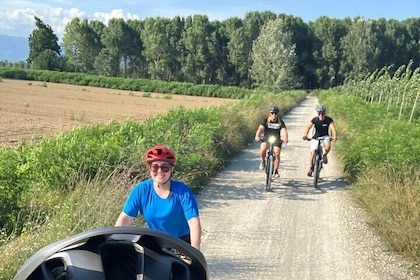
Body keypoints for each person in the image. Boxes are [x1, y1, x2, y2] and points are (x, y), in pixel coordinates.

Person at [115, 145, 202, 250]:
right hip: (154, 243)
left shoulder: (183, 191)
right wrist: (116, 243)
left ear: (172, 169)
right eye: (155, 167)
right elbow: (124, 220)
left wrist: (194, 253)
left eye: (165, 168)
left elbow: (194, 223)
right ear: (149, 169)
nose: (159, 171)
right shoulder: (141, 190)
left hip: (181, 243)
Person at [302, 104, 337, 177]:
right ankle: (311, 168)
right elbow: (308, 127)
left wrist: (334, 136)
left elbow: (332, 128)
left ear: (325, 113)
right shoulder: (315, 120)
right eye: (319, 113)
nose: (321, 115)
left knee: (327, 146)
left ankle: (324, 155)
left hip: (325, 136)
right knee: (313, 152)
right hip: (316, 137)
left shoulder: (328, 120)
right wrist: (305, 135)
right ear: (317, 113)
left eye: (322, 113)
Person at [254, 105, 289, 178]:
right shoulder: (266, 120)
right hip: (267, 138)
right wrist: (257, 136)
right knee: (263, 149)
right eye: (272, 113)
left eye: (275, 113)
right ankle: (263, 161)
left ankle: (276, 171)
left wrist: (285, 139)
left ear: (277, 114)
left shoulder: (280, 122)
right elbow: (260, 128)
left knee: (277, 154)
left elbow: (284, 131)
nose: (274, 115)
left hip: (276, 140)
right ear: (270, 113)